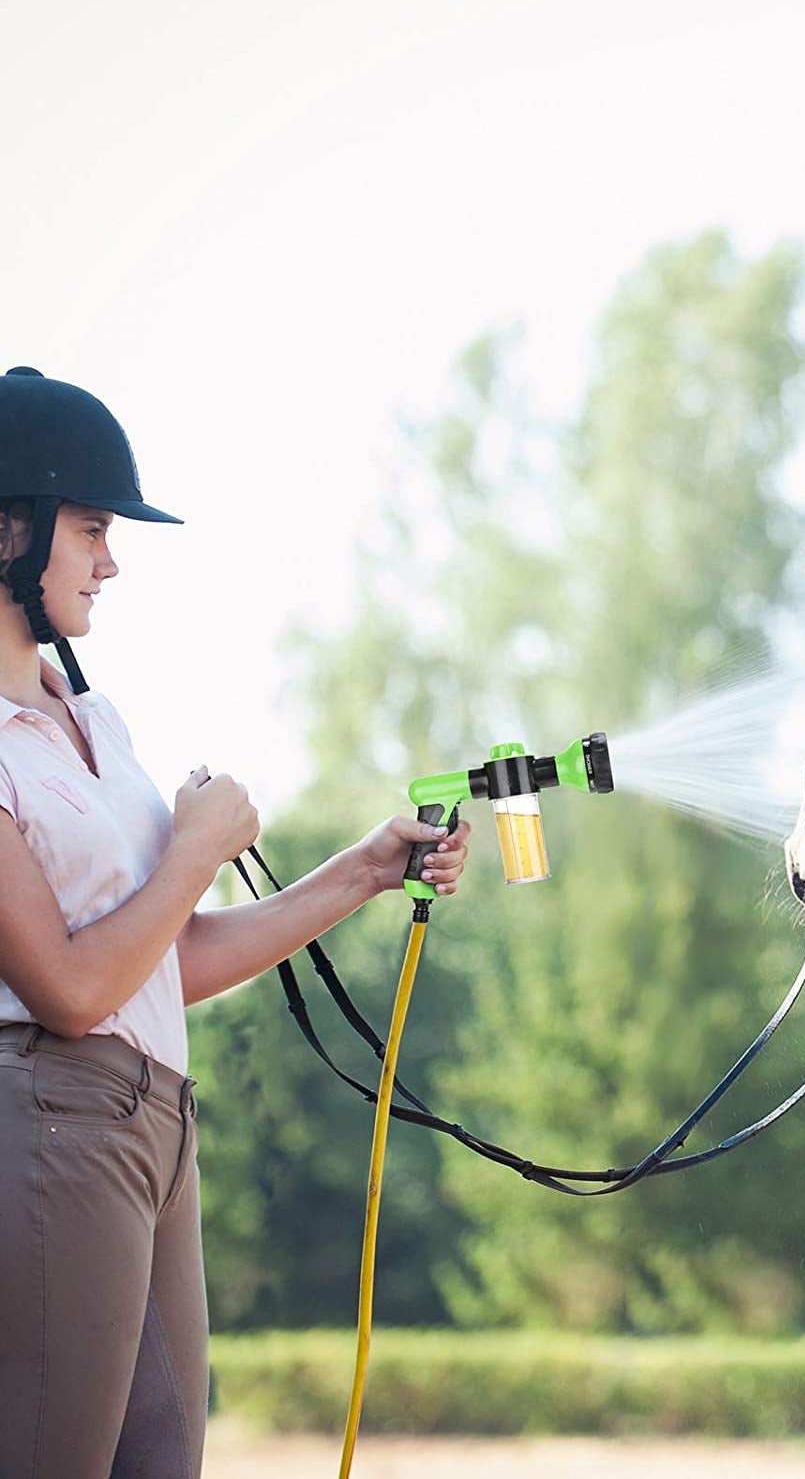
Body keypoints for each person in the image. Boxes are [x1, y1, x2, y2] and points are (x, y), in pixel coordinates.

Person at [0, 366, 472, 1478]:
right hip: (55, 1112)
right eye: (91, 530)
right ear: (9, 530)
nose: (110, 562)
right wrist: (197, 848)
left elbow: (163, 964)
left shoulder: (91, 719)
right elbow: (70, 989)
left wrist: (358, 870)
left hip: (156, 1120)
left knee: (163, 1464)